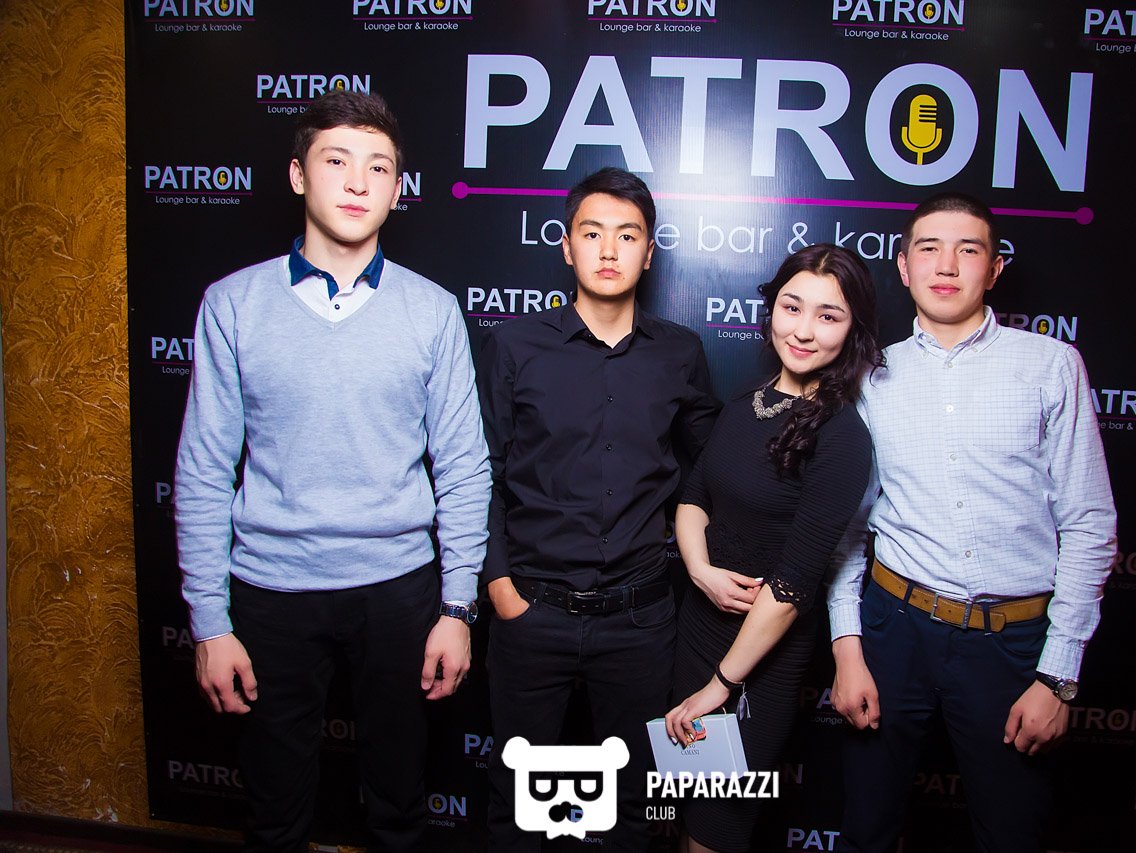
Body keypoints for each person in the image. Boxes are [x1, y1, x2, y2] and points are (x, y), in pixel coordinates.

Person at [173, 90, 491, 852]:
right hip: (271, 589)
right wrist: (209, 621)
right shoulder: (233, 305)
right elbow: (204, 469)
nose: (357, 181)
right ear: (298, 175)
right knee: (275, 814)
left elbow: (463, 466)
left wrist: (457, 607)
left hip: (400, 590)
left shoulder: (432, 310)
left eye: (377, 167)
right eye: (337, 160)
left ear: (396, 188)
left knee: (399, 809)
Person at [828, 193, 1117, 852]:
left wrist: (1057, 674)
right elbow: (848, 528)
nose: (947, 265)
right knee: (866, 830)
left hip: (1012, 644)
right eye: (928, 248)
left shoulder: (1051, 365)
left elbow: (1090, 522)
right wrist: (847, 647)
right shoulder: (872, 375)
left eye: (968, 249)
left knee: (1011, 835)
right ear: (904, 266)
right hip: (893, 630)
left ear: (994, 267)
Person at [477, 166, 720, 852]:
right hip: (532, 610)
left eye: (627, 235)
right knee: (517, 802)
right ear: (566, 246)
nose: (609, 250)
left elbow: (713, 469)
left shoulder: (680, 352)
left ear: (649, 251)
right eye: (592, 233)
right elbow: (482, 472)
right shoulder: (514, 345)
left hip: (640, 619)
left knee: (635, 804)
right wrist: (500, 587)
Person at [663, 245, 879, 853]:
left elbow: (793, 584)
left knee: (715, 832)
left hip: (756, 666)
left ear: (853, 329)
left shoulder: (843, 438)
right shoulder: (745, 404)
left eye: (828, 316)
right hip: (696, 631)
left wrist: (721, 685)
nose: (804, 331)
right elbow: (693, 498)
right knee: (681, 815)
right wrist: (701, 570)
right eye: (792, 307)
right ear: (772, 310)